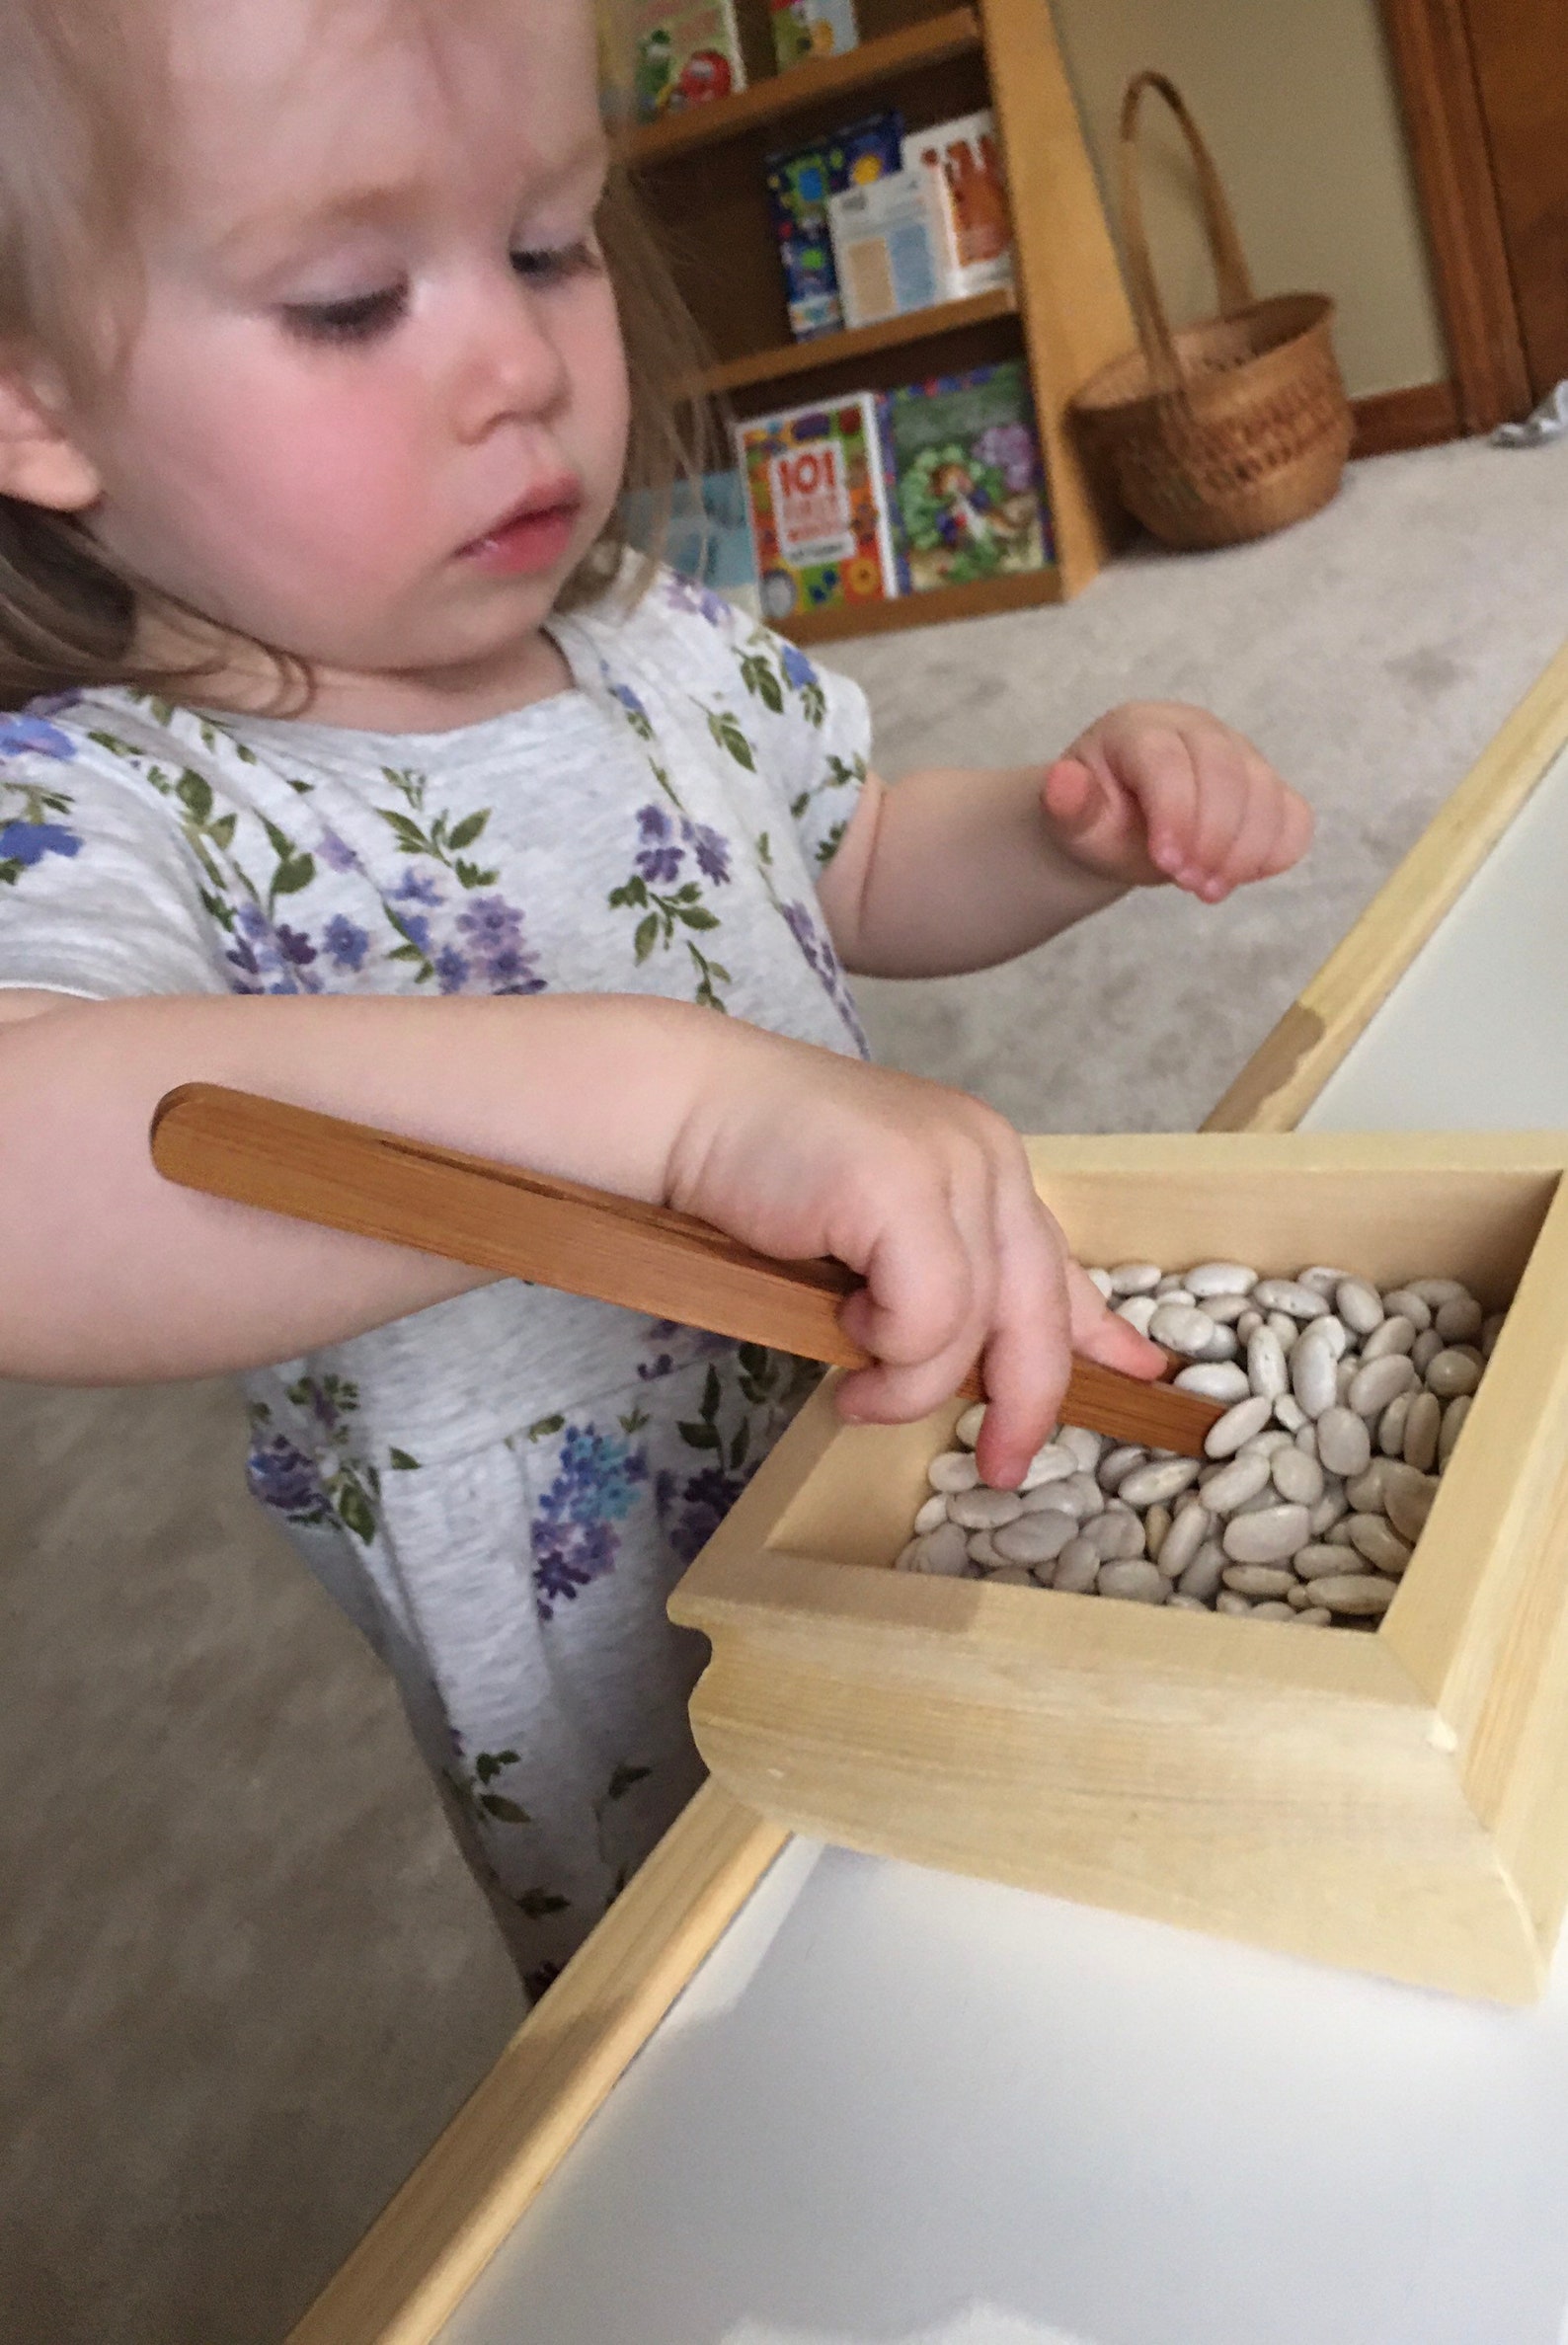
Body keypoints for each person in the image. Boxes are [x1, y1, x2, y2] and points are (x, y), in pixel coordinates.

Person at [0, 0, 1311, 1996]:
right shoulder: (104, 800)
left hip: (892, 1434)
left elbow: (852, 857)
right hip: (610, 1653)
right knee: (754, 2002)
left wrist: (1067, 832)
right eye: (353, 301)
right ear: (31, 393)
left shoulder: (651, 640)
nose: (524, 364)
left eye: (548, 244)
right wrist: (671, 1108)